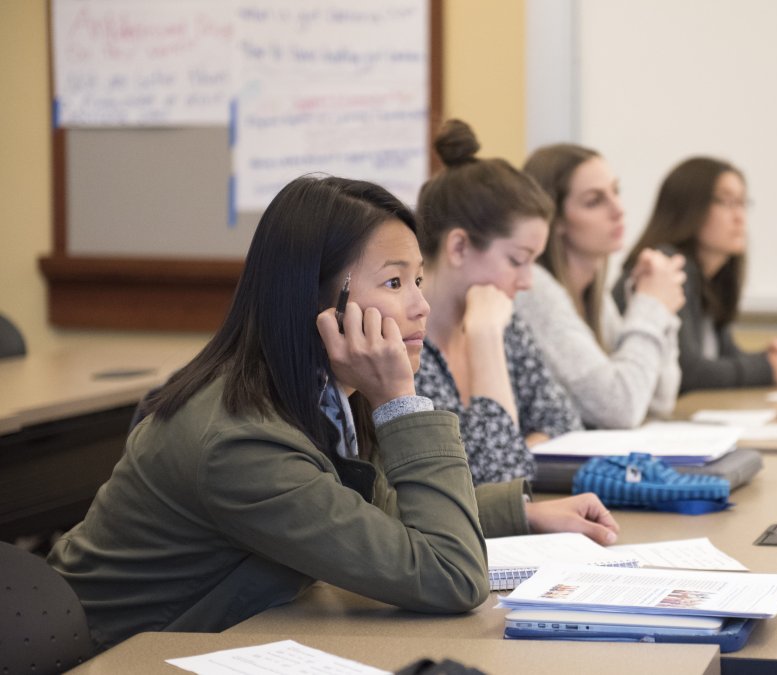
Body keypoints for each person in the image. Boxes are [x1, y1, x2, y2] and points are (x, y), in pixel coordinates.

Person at [48, 175, 618, 651]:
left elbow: (375, 507)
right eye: (395, 282)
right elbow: (452, 578)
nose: (420, 305)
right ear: (319, 301)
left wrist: (519, 512)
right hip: (121, 659)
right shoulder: (243, 442)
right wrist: (399, 401)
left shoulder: (313, 395)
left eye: (418, 279)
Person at [415, 121, 585, 485]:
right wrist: (485, 337)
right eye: (516, 260)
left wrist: (514, 448)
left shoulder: (503, 319)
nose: (526, 282)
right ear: (458, 247)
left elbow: (563, 421)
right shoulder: (401, 342)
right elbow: (496, 478)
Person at [516, 143, 685, 429]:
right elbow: (620, 408)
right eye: (594, 201)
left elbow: (659, 399)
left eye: (616, 192)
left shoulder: (595, 293)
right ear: (554, 220)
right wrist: (650, 306)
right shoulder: (533, 289)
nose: (618, 209)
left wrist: (660, 315)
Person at [616, 156, 777, 393]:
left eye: (742, 203)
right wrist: (768, 367)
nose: (740, 217)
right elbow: (688, 372)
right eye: (728, 203)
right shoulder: (666, 267)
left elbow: (722, 356)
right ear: (689, 207)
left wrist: (775, 358)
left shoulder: (710, 276)